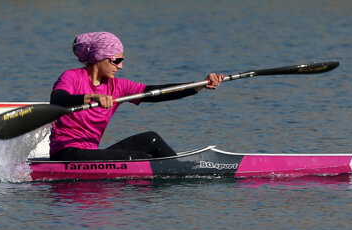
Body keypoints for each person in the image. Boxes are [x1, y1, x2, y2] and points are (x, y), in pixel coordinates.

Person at [48, 31, 224, 161]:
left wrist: (200, 85)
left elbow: (157, 93)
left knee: (151, 140)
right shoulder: (71, 77)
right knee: (139, 157)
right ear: (99, 57)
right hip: (66, 153)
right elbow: (58, 100)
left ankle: (180, 170)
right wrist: (92, 97)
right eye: (116, 60)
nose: (121, 66)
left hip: (90, 153)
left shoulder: (117, 86)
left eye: (122, 60)